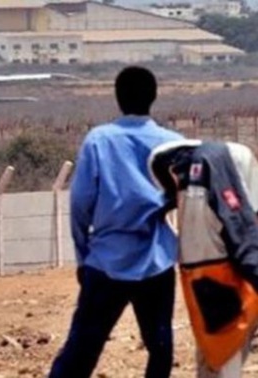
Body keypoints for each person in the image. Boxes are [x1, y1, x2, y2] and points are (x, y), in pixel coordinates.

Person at [48, 66, 184, 378]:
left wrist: (84, 256)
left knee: (80, 352)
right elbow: (186, 199)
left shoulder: (99, 141)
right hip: (157, 260)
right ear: (153, 97)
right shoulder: (173, 143)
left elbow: (81, 203)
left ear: (118, 97)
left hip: (107, 260)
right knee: (160, 350)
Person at [149, 140, 258, 378]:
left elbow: (158, 158)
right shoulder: (225, 179)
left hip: (199, 279)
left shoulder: (192, 179)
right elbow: (243, 232)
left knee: (211, 354)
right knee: (226, 354)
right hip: (225, 280)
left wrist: (169, 193)